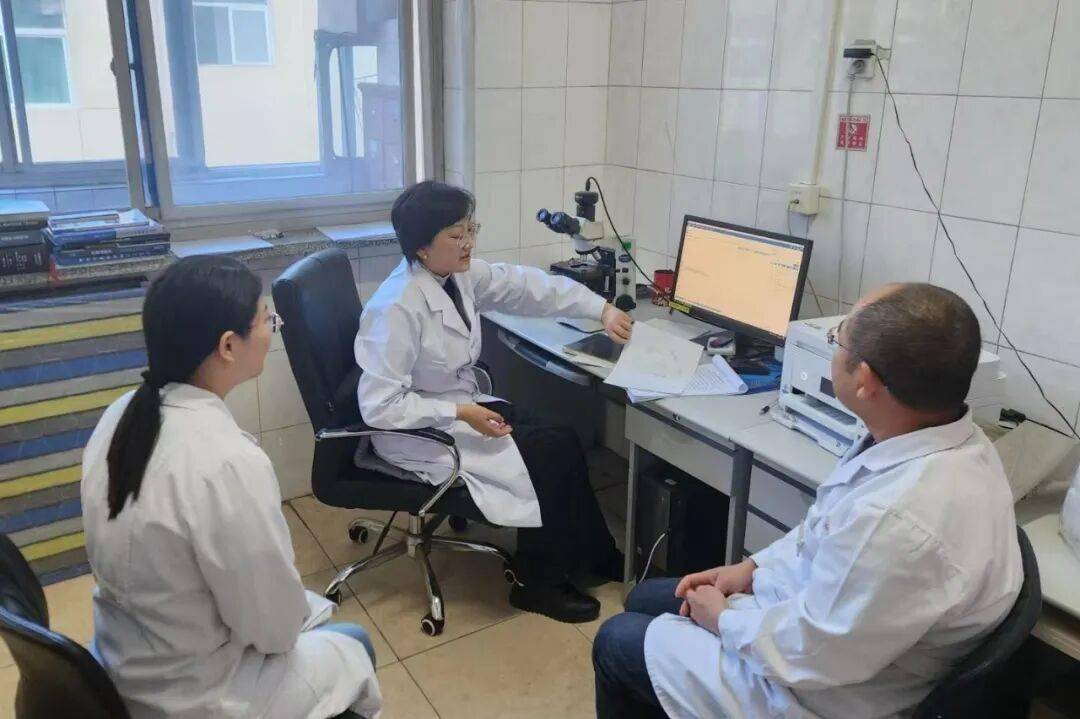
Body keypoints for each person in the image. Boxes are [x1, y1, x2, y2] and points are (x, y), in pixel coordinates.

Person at [592, 283, 1024, 719]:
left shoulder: (896, 518)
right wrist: (751, 568)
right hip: (818, 623)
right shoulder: (940, 436)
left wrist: (722, 620)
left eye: (837, 339)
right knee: (646, 598)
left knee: (616, 640)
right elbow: (825, 526)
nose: (832, 346)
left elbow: (813, 652)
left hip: (818, 692)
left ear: (865, 381)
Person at [81, 256, 382, 719]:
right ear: (227, 346)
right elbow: (275, 630)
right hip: (198, 698)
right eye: (265, 319)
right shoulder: (226, 462)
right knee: (355, 645)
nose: (273, 327)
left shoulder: (121, 414)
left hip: (122, 667)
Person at [355, 180, 633, 623]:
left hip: (459, 405)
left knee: (562, 437)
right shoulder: (395, 307)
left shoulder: (457, 275)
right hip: (419, 430)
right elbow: (380, 406)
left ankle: (596, 555)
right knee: (545, 454)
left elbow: (527, 287)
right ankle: (537, 584)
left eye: (471, 229)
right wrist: (460, 412)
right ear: (422, 248)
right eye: (456, 235)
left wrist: (600, 309)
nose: (469, 242)